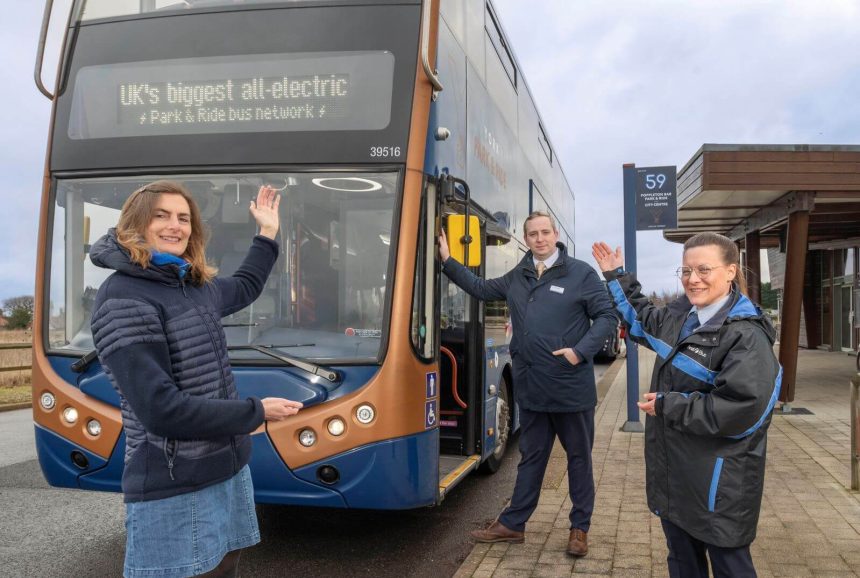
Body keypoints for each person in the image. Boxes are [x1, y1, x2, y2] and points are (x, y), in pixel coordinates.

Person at [90, 181, 304, 578]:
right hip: (173, 481)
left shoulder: (189, 285)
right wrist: (255, 413)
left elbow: (244, 287)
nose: (176, 226)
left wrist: (268, 233)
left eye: (184, 218)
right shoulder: (123, 299)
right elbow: (160, 410)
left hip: (226, 468)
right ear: (136, 223)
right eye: (162, 216)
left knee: (225, 566)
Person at [592, 233, 781, 578]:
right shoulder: (683, 319)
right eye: (686, 270)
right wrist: (615, 275)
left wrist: (669, 405)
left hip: (718, 487)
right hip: (676, 480)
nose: (693, 279)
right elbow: (641, 319)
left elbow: (742, 411)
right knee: (681, 563)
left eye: (704, 269)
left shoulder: (746, 336)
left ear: (730, 272)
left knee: (730, 568)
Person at [439, 211, 617, 557]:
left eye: (545, 232)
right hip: (532, 387)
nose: (539, 238)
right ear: (526, 239)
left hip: (570, 389)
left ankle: (580, 528)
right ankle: (513, 525)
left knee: (579, 459)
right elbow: (480, 288)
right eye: (533, 233)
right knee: (531, 458)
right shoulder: (518, 275)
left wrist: (580, 353)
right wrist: (448, 261)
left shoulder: (580, 273)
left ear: (555, 235)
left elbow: (608, 316)